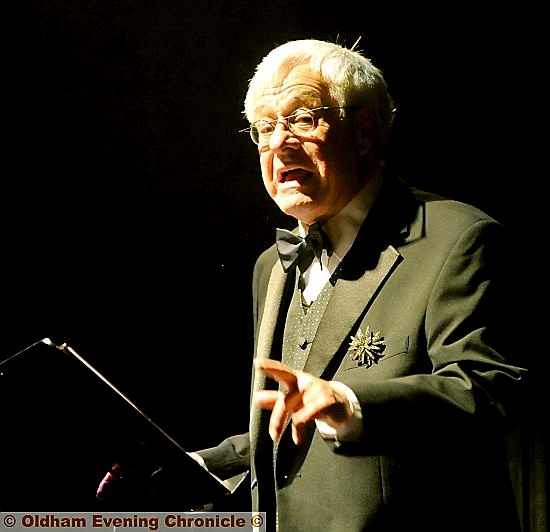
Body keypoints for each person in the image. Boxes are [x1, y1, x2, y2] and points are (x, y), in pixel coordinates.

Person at [98, 38, 528, 531]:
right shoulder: (272, 267)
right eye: (265, 127)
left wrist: (353, 402)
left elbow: (493, 387)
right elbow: (291, 418)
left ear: (364, 131)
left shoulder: (457, 237)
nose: (279, 144)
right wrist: (203, 466)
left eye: (303, 119)